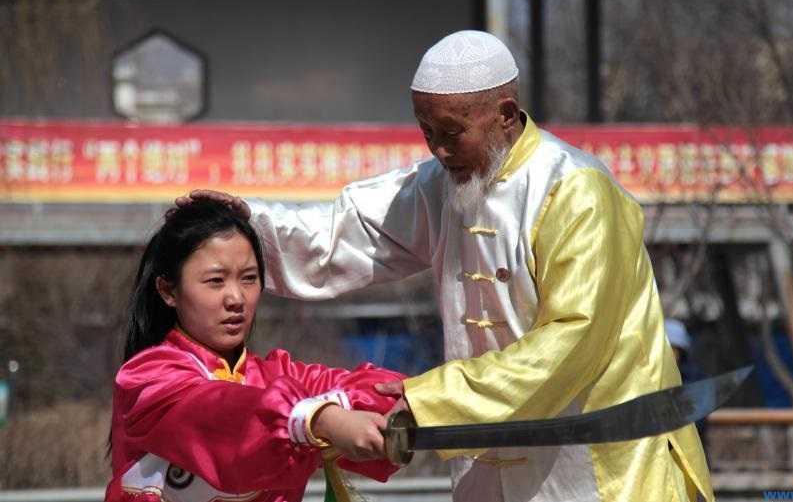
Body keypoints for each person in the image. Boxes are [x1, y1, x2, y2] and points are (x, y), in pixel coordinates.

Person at [181, 30, 713, 502]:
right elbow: (346, 231)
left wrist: (432, 399)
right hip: (487, 458)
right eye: (425, 130)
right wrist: (247, 222)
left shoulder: (576, 191)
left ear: (505, 115)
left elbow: (573, 338)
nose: (437, 148)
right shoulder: (442, 184)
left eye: (451, 131)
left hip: (601, 466)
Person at [106, 199, 403, 502]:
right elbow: (222, 413)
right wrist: (319, 419)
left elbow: (375, 390)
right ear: (168, 291)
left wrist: (420, 400)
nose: (236, 297)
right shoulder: (149, 379)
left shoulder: (279, 377)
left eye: (249, 278)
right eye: (215, 281)